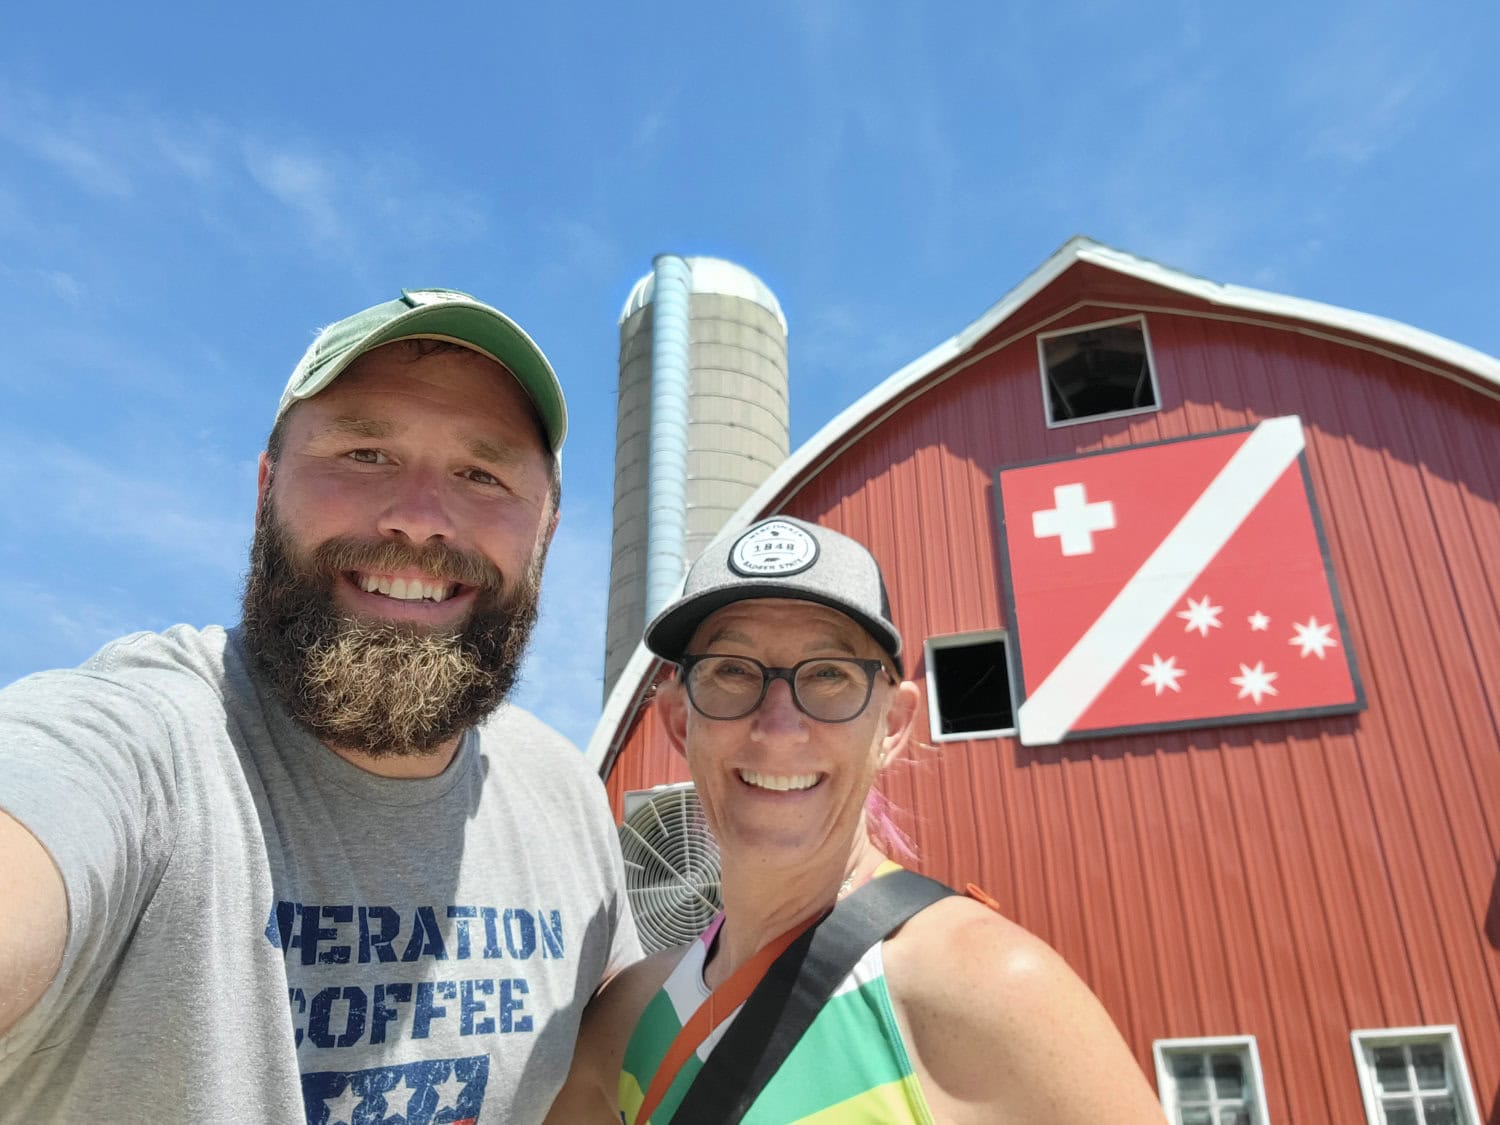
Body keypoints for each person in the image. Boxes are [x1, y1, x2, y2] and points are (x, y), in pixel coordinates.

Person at [0, 288, 641, 1123]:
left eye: (482, 473)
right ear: (267, 487)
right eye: (365, 452)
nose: (418, 519)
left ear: (546, 529)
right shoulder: (140, 743)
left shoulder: (562, 798)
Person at [548, 516, 1167, 1124]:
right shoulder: (626, 1021)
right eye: (732, 671)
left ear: (891, 727)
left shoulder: (992, 995)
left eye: (829, 675)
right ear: (681, 723)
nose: (778, 728)